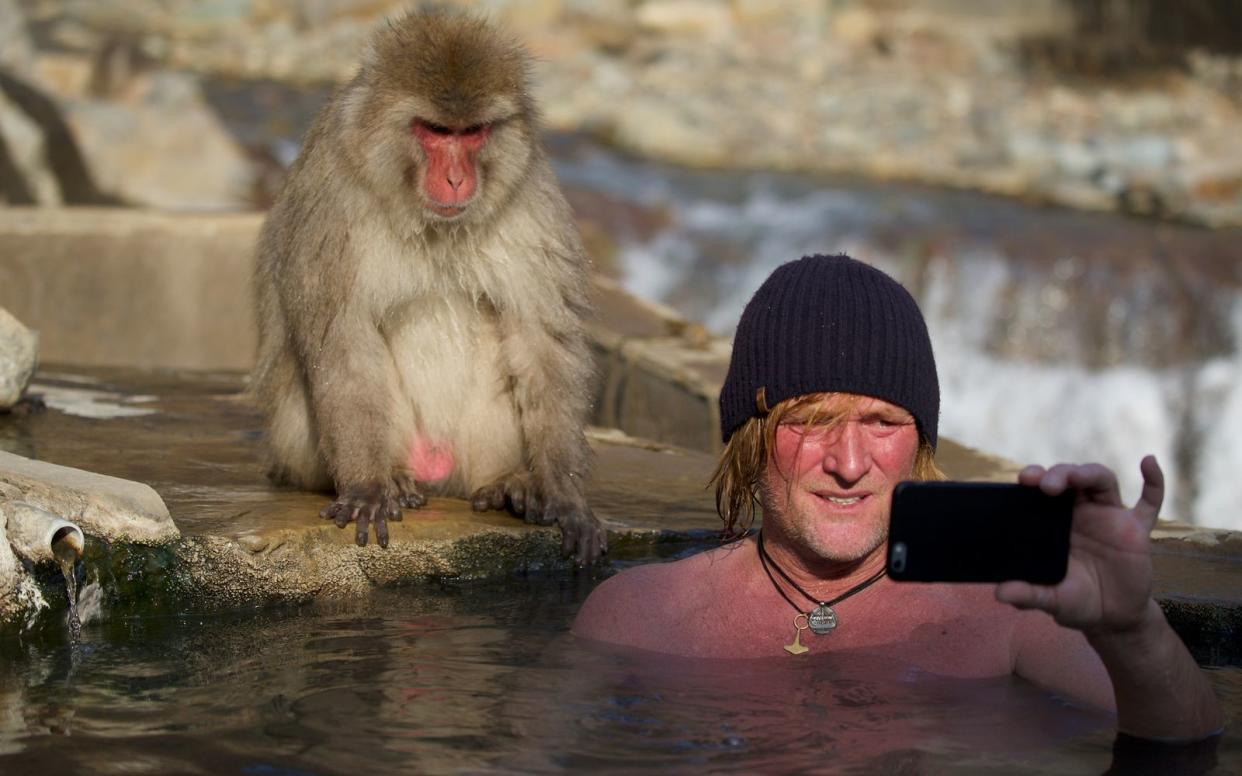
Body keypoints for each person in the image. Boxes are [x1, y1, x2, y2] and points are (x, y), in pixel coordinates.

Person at [573, 254, 1223, 742]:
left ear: (920, 441)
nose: (849, 464)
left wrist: (1133, 628)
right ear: (751, 435)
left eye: (882, 423)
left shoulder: (1007, 617)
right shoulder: (636, 617)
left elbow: (1189, 750)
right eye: (810, 422)